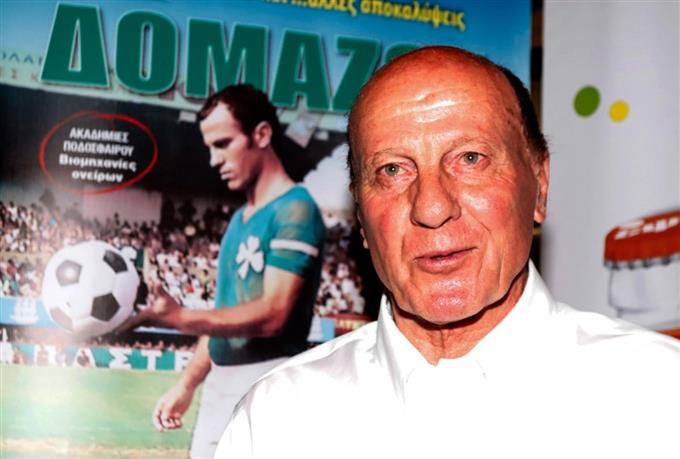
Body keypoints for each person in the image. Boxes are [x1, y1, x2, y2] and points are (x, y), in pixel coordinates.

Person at [214, 47, 680, 458]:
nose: (432, 207)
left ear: (539, 185)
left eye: (470, 159)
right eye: (392, 169)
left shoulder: (660, 395)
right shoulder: (276, 421)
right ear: (361, 215)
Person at [125, 84, 325, 459]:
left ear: (261, 134)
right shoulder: (238, 220)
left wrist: (181, 317)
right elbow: (224, 313)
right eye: (210, 148)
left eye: (223, 144)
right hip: (221, 383)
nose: (214, 160)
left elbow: (273, 314)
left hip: (268, 383)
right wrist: (187, 384)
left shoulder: (296, 209)